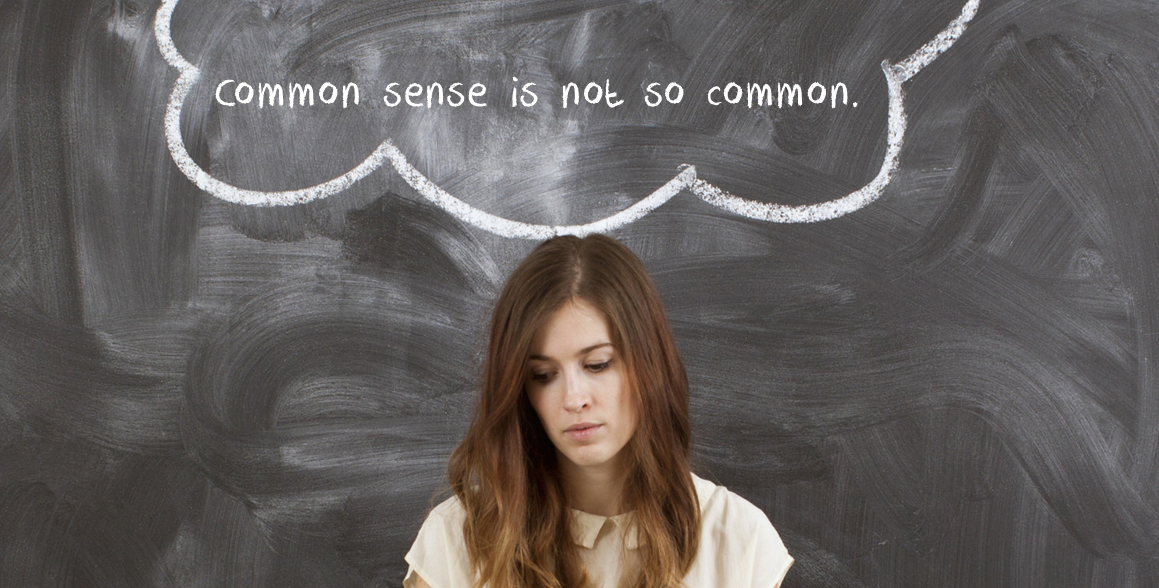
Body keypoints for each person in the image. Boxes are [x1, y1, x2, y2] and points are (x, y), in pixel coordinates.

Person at [404, 234, 792, 588]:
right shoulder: (458, 538)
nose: (574, 399)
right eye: (543, 375)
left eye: (597, 365)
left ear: (648, 363)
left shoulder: (737, 538)